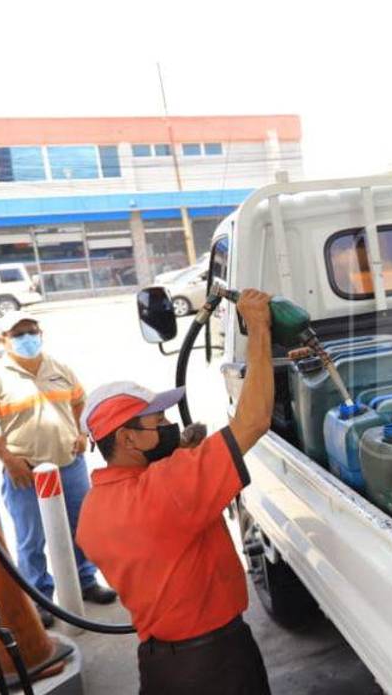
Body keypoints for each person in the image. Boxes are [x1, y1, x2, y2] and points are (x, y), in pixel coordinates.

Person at [76, 289, 274, 695]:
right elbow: (254, 421)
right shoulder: (168, 488)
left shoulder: (94, 510)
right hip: (216, 665)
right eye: (157, 422)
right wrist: (258, 327)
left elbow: (158, 530)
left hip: (161, 666)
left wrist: (179, 454)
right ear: (128, 440)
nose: (168, 426)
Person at [0, 311, 118, 628]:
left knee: (82, 527)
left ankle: (86, 581)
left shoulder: (59, 368)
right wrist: (9, 459)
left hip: (70, 465)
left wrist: (82, 433)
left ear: (40, 333)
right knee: (31, 538)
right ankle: (39, 596)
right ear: (5, 340)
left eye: (31, 331)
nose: (27, 338)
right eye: (18, 334)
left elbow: (81, 402)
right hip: (26, 472)